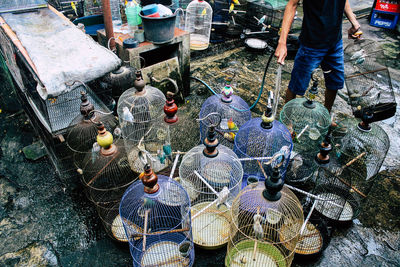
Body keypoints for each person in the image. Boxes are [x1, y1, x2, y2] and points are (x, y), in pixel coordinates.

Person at [275, 0, 362, 112]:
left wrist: (354, 22)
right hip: (311, 43)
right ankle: (287, 119)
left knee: (334, 83)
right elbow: (292, 4)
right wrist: (282, 43)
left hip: (335, 42)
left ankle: (326, 115)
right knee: (297, 85)